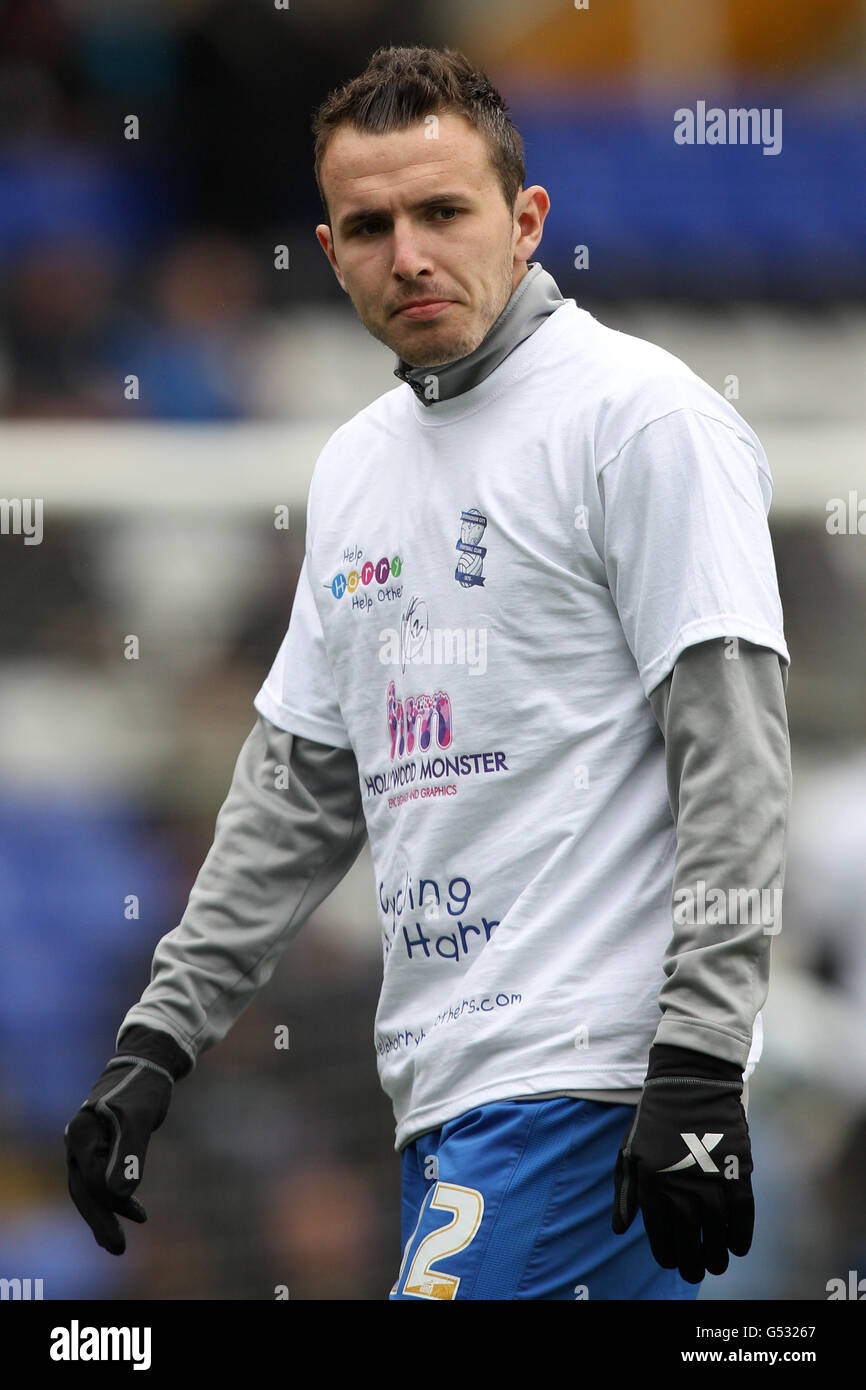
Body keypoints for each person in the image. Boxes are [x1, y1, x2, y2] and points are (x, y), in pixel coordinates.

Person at [65, 44, 792, 1301]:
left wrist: (698, 1060)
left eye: (441, 212)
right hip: (439, 1097)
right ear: (329, 246)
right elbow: (296, 792)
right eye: (368, 224)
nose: (407, 253)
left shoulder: (639, 420)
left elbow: (733, 754)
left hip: (587, 1085)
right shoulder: (354, 466)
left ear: (523, 221)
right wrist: (155, 1044)